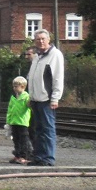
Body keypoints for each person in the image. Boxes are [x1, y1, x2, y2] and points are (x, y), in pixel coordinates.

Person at [26, 29, 64, 166]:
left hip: (46, 99)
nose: (41, 41)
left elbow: (58, 78)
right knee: (38, 129)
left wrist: (55, 98)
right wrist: (30, 96)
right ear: (35, 41)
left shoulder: (55, 55)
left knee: (47, 129)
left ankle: (48, 158)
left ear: (48, 40)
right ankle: (39, 156)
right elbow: (31, 78)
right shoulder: (37, 57)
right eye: (38, 39)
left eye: (43, 39)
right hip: (36, 99)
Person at [6, 75, 32, 164]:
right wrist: (8, 121)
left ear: (23, 87)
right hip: (14, 122)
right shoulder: (13, 97)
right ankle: (17, 155)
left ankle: (24, 156)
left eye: (16, 86)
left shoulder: (26, 97)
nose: (14, 88)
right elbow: (10, 109)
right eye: (13, 86)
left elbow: (29, 106)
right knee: (16, 139)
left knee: (23, 140)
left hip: (22, 122)